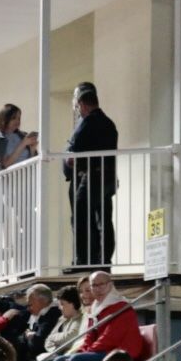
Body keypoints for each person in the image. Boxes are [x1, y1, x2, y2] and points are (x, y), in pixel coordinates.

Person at [49, 272, 141, 361]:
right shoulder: (96, 308)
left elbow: (109, 338)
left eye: (101, 284)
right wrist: (78, 353)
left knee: (77, 360)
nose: (98, 289)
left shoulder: (121, 306)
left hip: (121, 355)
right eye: (94, 286)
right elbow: (90, 337)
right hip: (103, 352)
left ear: (110, 285)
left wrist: (81, 355)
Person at [64, 82, 118, 267]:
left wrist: (71, 160)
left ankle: (84, 260)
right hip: (107, 176)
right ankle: (103, 260)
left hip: (92, 175)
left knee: (81, 216)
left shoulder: (87, 123)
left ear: (82, 104)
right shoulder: (109, 123)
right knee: (104, 219)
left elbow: (76, 152)